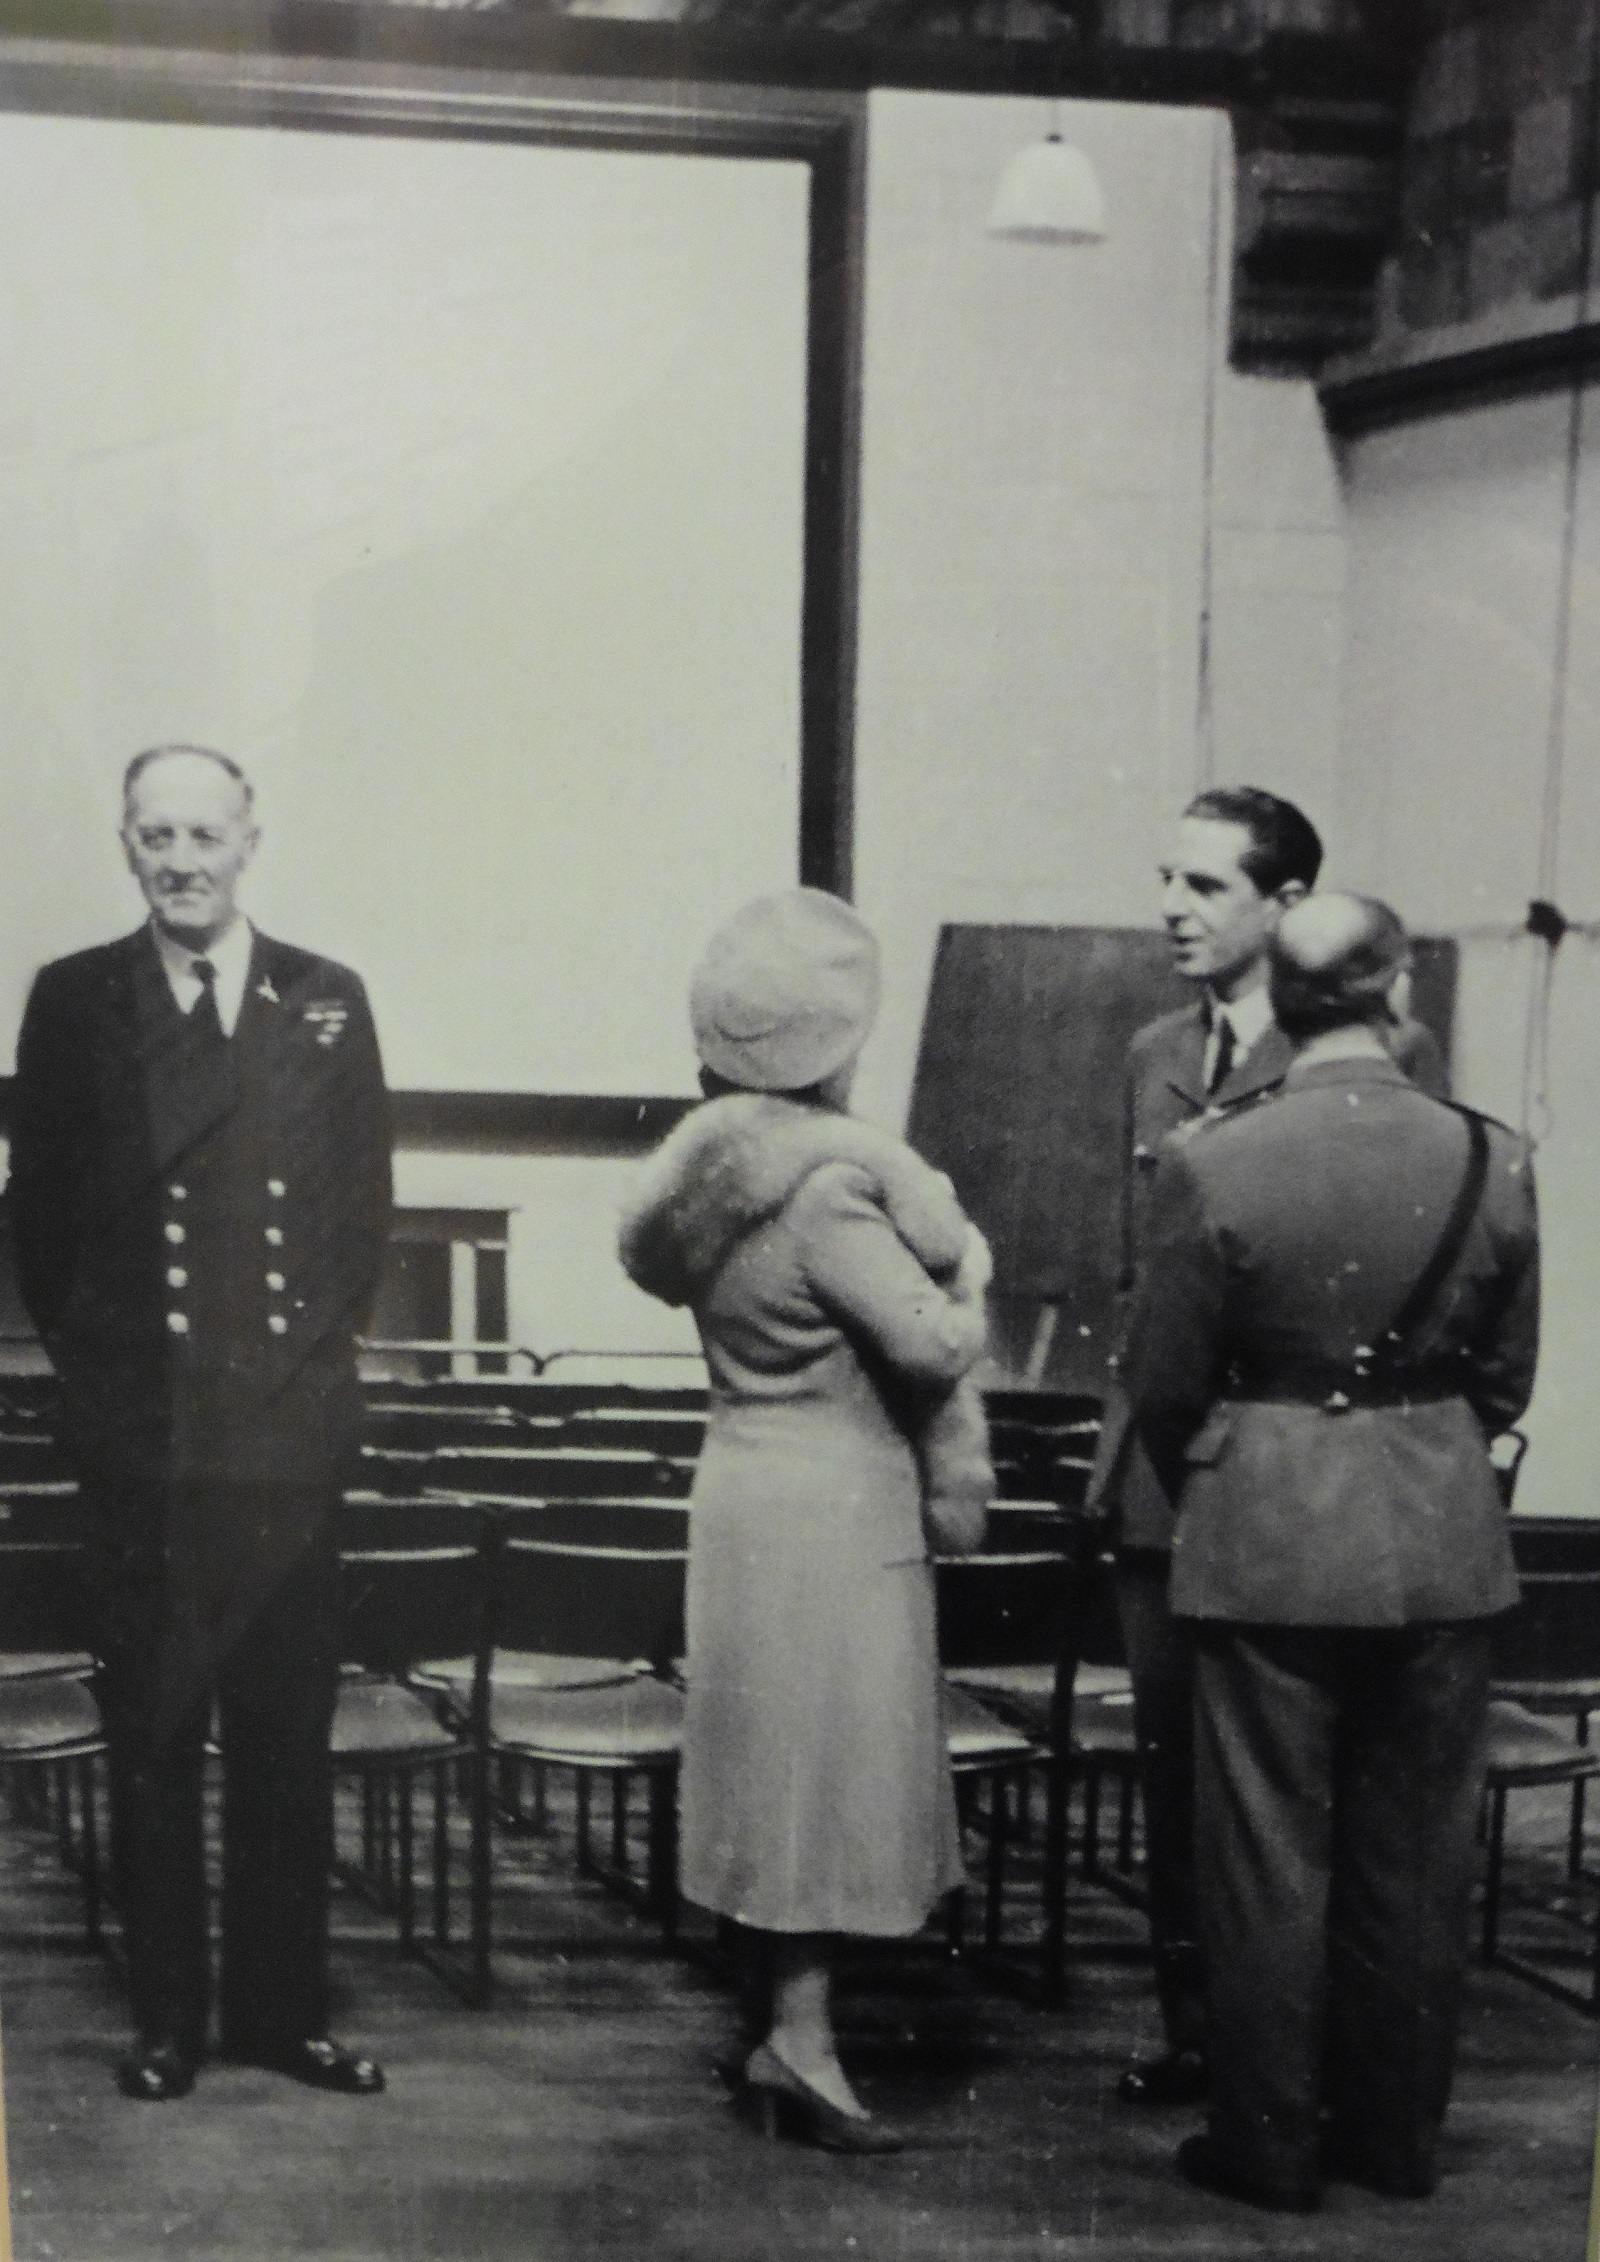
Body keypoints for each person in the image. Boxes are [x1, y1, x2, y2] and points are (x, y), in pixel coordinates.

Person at [1122, 892, 1539, 2212]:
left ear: (1285, 1005)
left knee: (1264, 1854)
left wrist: (1254, 1452)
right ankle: (1395, 2141)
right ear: (1397, 989)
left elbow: (1166, 1383)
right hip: (1440, 1522)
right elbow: (1508, 1378)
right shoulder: (1494, 1154)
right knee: (1415, 1860)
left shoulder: (1211, 1158)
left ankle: (1267, 2144)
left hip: (1268, 1522)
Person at [7, 745, 393, 2102]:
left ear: (249, 840)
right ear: (125, 843)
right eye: (155, 833)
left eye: (203, 833)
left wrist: (303, 1387)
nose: (181, 857)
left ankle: (282, 2016)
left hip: (285, 1443)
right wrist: (117, 1396)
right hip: (151, 1449)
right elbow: (41, 1230)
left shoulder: (327, 998)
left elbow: (359, 1217)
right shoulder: (72, 999)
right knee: (159, 1737)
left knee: (286, 1738)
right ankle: (171, 2018)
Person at [1086, 784, 1446, 2107]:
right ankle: (1206, 2039)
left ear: (1288, 906)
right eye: (1166, 881)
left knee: (1313, 1792)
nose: (1172, 909)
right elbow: (1138, 1277)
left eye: (1206, 886)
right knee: (1179, 1777)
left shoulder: (1384, 1058)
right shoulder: (1148, 1050)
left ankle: (1310, 2061)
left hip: (1298, 1479)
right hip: (1162, 1473)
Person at [618, 887, 992, 2154]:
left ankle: (777, 2022)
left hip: (742, 1487)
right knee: (822, 1778)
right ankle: (804, 2042)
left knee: (767, 1767)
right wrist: (974, 1274)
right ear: (838, 1048)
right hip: (835, 1503)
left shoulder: (699, 1188)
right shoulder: (832, 1193)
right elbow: (932, 1344)